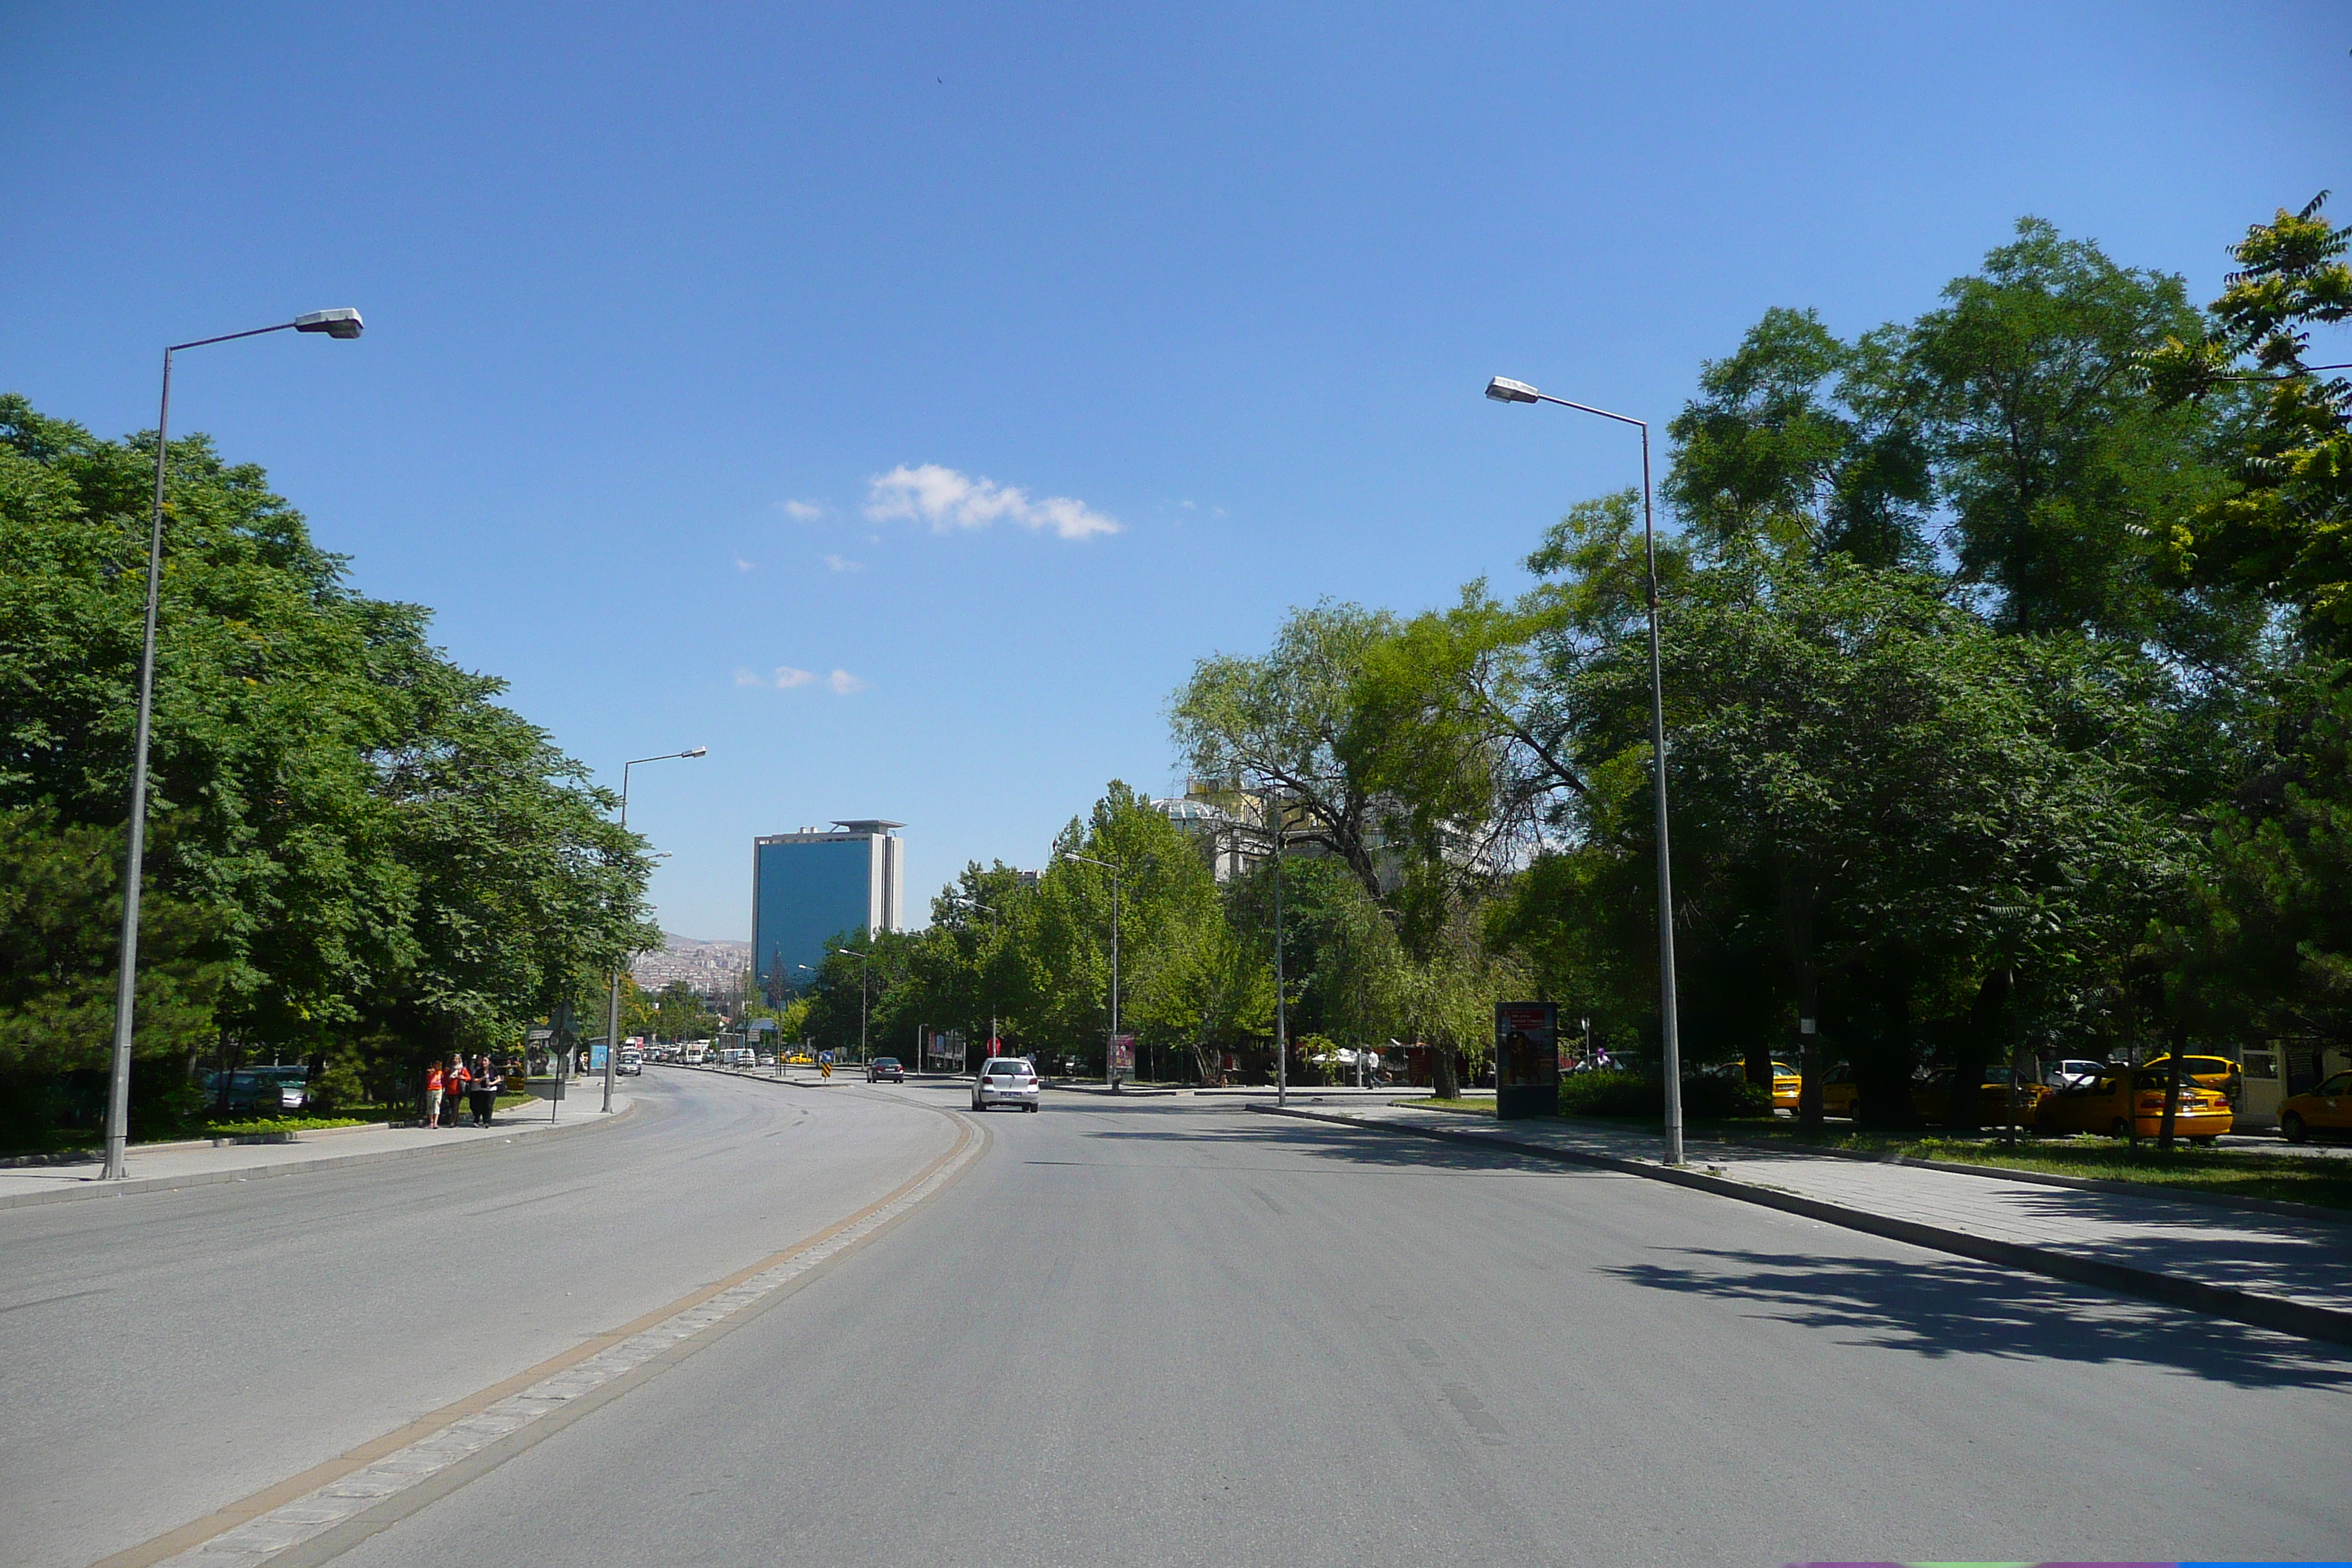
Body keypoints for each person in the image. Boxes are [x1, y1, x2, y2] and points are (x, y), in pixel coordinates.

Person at [471, 1054, 500, 1126]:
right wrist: (482, 1079)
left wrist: (492, 1083)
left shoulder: (493, 1069)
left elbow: (499, 1079)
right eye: (483, 1061)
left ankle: (488, 1121)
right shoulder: (479, 1071)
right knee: (483, 1106)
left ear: (489, 1062)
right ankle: (484, 1121)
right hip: (482, 1089)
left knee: (489, 1105)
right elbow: (475, 1080)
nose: (484, 1062)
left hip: (492, 1090)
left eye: (485, 1061)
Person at [444, 1055, 471, 1128]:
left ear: (459, 1060)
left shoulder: (462, 1069)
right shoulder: (449, 1070)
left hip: (458, 1090)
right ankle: (454, 1120)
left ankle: (453, 1121)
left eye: (457, 1059)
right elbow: (445, 1080)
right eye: (454, 1059)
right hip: (450, 1090)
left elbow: (469, 1078)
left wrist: (463, 1077)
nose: (455, 1060)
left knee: (455, 1106)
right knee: (452, 1105)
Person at [423, 1060, 445, 1128]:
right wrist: (433, 1070)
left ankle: (435, 1122)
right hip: (430, 1090)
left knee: (437, 1105)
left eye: (440, 1065)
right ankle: (431, 1122)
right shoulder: (430, 1071)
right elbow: (429, 1073)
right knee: (430, 1106)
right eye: (437, 1064)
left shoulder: (441, 1072)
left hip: (439, 1090)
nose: (439, 1066)